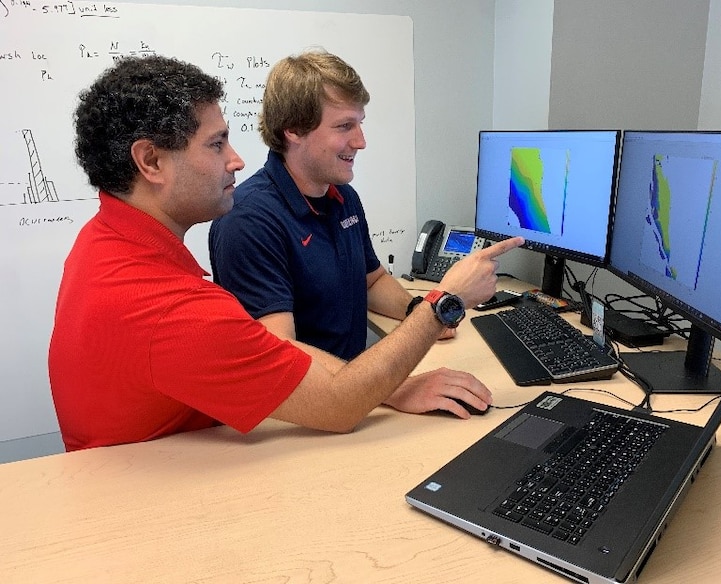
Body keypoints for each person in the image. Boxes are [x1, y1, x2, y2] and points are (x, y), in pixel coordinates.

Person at [48, 55, 523, 452]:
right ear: (151, 161)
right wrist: (443, 303)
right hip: (156, 500)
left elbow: (366, 284)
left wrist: (407, 336)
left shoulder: (107, 242)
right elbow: (334, 402)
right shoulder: (175, 305)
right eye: (216, 144)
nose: (235, 159)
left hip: (170, 466)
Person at [208, 50, 454, 364]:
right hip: (305, 404)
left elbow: (372, 280)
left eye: (359, 123)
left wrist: (418, 312)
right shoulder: (248, 220)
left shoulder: (343, 198)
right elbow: (279, 357)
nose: (361, 141)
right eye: (344, 126)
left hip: (351, 387)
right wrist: (389, 388)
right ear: (294, 130)